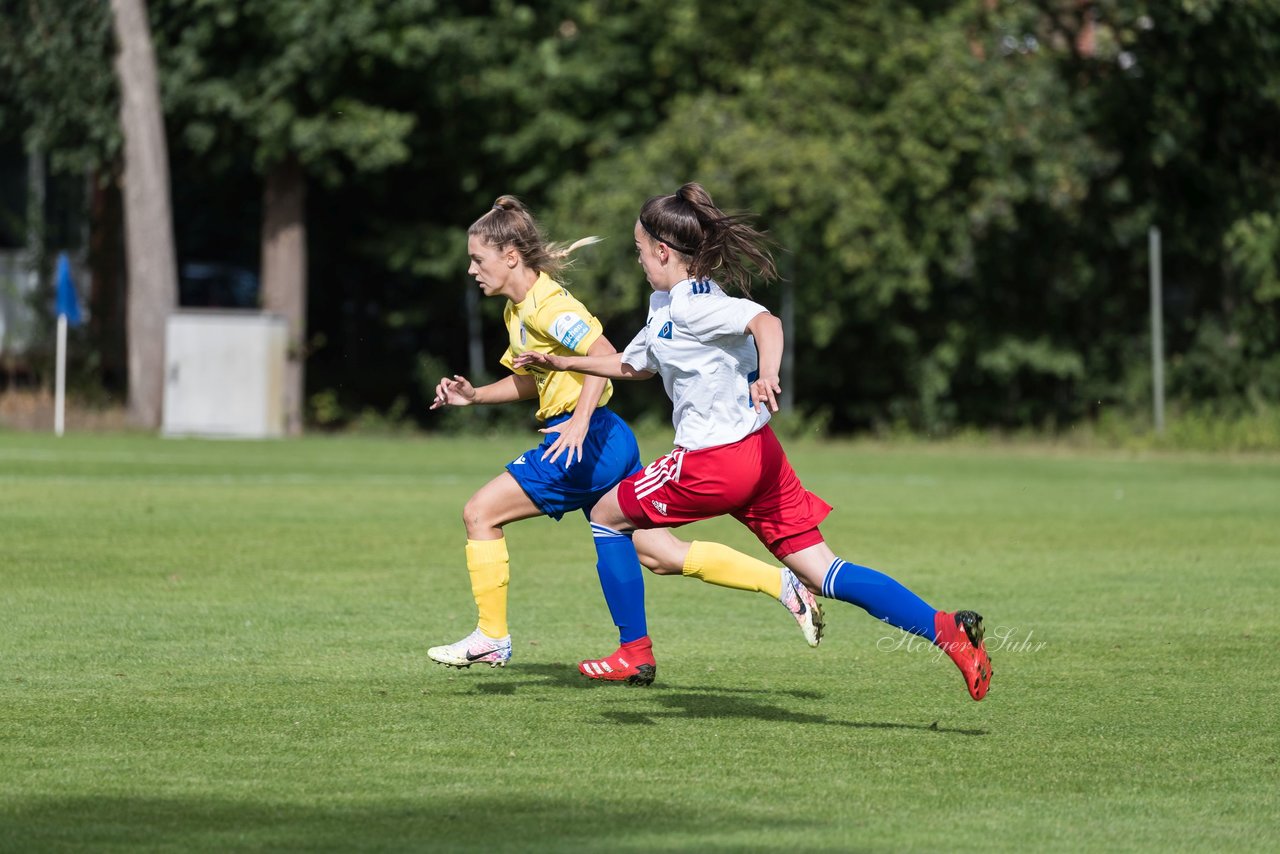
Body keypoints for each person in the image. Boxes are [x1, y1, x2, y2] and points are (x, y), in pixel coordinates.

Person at [512, 183, 993, 700]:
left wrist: (767, 373)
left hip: (713, 461)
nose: (638, 260)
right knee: (823, 570)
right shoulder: (665, 304)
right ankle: (947, 630)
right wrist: (562, 361)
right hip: (762, 458)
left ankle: (634, 653)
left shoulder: (698, 306)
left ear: (663, 251)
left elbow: (767, 322)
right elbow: (634, 364)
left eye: (638, 250)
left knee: (607, 516)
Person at [426, 195, 824, 686]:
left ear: (510, 257)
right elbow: (535, 380)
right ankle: (780, 582)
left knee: (480, 513)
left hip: (584, 440)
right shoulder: (518, 310)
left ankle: (492, 637)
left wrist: (577, 421)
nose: (471, 269)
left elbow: (603, 352)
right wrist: (476, 397)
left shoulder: (548, 307)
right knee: (658, 553)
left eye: (477, 259)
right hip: (606, 437)